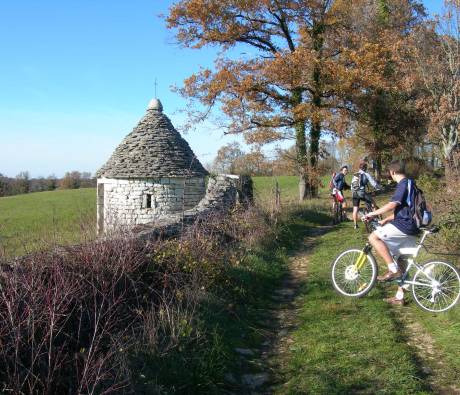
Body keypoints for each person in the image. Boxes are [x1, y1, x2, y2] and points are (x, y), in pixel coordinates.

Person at [363, 160, 419, 306]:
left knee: (373, 237)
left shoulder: (402, 184)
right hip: (412, 226)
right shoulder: (411, 184)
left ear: (392, 172)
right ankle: (400, 297)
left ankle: (392, 269)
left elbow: (393, 204)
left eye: (390, 174)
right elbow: (405, 210)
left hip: (404, 226)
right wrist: (385, 220)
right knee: (402, 260)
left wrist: (373, 214)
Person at [351, 160, 381, 229]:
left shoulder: (355, 174)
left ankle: (355, 225)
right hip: (361, 193)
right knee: (373, 203)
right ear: (365, 168)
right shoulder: (366, 174)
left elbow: (352, 185)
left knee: (355, 209)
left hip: (354, 193)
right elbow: (374, 184)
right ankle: (375, 219)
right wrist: (380, 187)